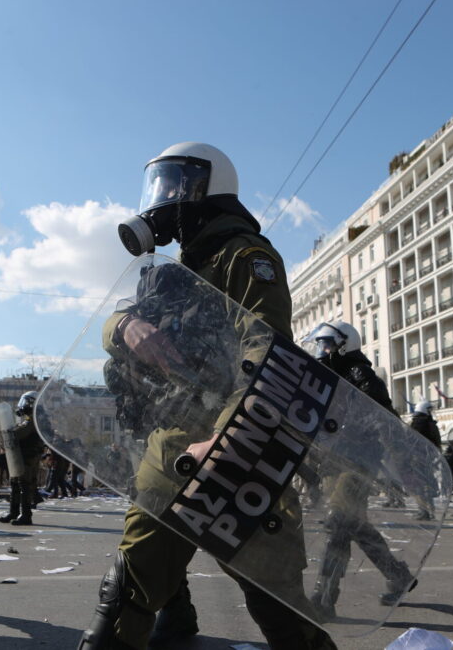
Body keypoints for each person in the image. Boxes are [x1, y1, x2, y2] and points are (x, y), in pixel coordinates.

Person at [79, 142, 335, 649]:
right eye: (158, 184)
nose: (162, 197)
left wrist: (226, 436)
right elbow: (110, 322)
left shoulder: (246, 255)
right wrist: (127, 325)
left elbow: (267, 352)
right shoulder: (175, 271)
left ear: (207, 186)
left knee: (276, 603)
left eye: (173, 184)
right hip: (171, 440)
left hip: (235, 446)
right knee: (126, 590)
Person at [302, 321, 417, 617]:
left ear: (344, 344)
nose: (322, 350)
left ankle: (324, 597)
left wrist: (401, 466)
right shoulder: (326, 377)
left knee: (338, 522)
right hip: (331, 462)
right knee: (354, 524)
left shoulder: (360, 374)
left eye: (327, 344)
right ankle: (399, 575)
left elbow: (387, 420)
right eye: (320, 344)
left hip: (358, 462)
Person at [0, 391, 45, 526]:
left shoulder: (34, 419)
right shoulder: (30, 419)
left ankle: (26, 515)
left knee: (24, 485)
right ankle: (14, 512)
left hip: (28, 457)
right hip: (21, 457)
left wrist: (10, 430)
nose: (23, 406)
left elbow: (19, 434)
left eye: (26, 403)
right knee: (15, 484)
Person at [409, 401, 441, 520]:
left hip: (417, 458)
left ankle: (423, 510)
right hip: (427, 458)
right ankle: (429, 510)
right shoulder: (429, 423)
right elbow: (435, 441)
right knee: (426, 485)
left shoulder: (416, 423)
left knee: (420, 485)